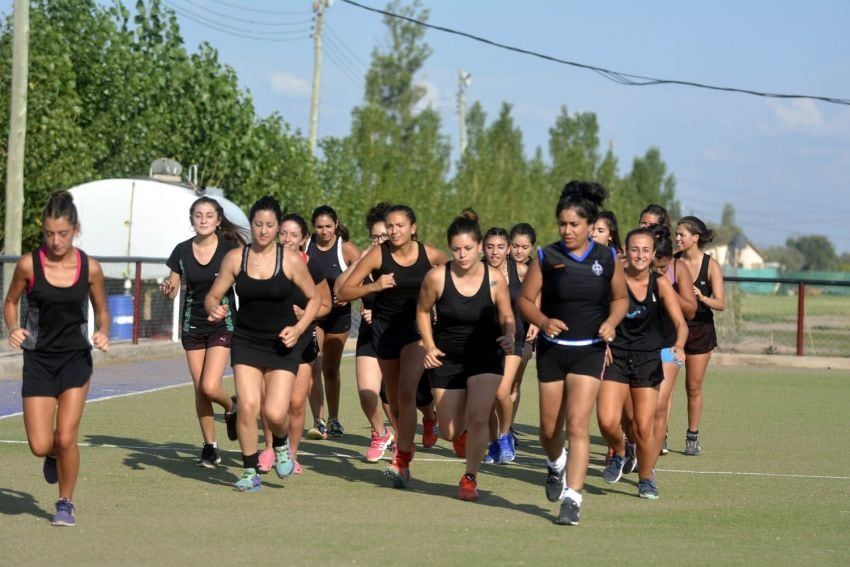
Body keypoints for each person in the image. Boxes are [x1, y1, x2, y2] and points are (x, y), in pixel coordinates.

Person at [518, 180, 627, 526]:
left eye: (574, 224)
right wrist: (542, 320)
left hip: (589, 351)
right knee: (549, 430)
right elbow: (524, 300)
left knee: (578, 423)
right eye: (562, 224)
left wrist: (611, 322)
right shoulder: (546, 256)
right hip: (552, 351)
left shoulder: (607, 257)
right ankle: (556, 464)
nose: (567, 230)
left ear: (590, 225)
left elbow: (621, 299)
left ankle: (573, 499)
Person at [3, 191, 110, 527]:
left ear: (75, 230)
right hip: (38, 360)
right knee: (40, 445)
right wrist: (13, 328)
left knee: (65, 437)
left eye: (62, 233)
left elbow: (102, 310)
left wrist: (103, 332)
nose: (56, 241)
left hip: (75, 360)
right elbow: (10, 302)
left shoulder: (90, 268)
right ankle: (51, 455)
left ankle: (65, 502)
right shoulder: (28, 265)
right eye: (49, 234)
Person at [205, 196, 319, 492]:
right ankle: (249, 471)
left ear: (277, 227)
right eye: (258, 224)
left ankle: (280, 444)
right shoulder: (235, 258)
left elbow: (314, 299)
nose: (264, 230)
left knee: (275, 413)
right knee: (248, 407)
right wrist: (214, 308)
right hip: (246, 340)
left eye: (270, 225)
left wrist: (298, 328)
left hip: (283, 344)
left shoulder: (290, 260)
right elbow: (213, 296)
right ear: (251, 224)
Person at [337, 204, 447, 488]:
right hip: (384, 331)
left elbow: (455, 276)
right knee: (396, 402)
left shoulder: (430, 255)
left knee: (407, 392)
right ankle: (404, 442)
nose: (394, 231)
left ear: (413, 228)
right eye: (390, 226)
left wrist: (440, 305)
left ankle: (402, 461)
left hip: (415, 329)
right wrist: (373, 287)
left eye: (400, 225)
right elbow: (343, 291)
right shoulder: (378, 254)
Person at [417, 210, 514, 500]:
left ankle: (469, 477)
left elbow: (507, 315)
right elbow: (422, 311)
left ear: (479, 246)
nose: (462, 255)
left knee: (479, 416)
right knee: (448, 430)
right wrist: (429, 345)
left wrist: (509, 334)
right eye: (456, 249)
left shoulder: (494, 279)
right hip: (448, 356)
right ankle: (460, 435)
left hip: (486, 354)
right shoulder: (437, 277)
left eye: (468, 248)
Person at [596, 228, 688, 499]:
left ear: (653, 254)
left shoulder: (660, 284)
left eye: (646, 250)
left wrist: (680, 345)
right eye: (635, 249)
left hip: (647, 359)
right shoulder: (613, 281)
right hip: (616, 356)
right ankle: (620, 450)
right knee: (607, 421)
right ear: (626, 250)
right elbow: (595, 316)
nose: (640, 255)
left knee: (643, 426)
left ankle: (646, 478)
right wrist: (602, 343)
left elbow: (681, 323)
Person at [160, 197, 244, 468]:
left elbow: (247, 283)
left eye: (209, 215)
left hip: (222, 324)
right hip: (193, 325)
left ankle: (232, 407)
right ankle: (210, 447)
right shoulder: (181, 251)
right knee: (200, 390)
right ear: (192, 220)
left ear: (218, 220)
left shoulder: (231, 250)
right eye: (198, 215)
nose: (204, 220)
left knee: (210, 386)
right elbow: (172, 289)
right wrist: (168, 289)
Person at [259, 213, 333, 475]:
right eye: (283, 233)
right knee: (268, 400)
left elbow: (326, 305)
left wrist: (305, 315)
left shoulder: (313, 267)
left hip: (302, 340)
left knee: (296, 402)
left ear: (303, 239)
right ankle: (269, 448)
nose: (287, 239)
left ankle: (292, 454)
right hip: (270, 338)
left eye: (293, 235)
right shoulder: (264, 261)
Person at [304, 206, 360, 439]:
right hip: (314, 315)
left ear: (336, 224)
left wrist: (349, 294)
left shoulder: (346, 249)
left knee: (330, 368)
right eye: (319, 227)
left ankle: (334, 419)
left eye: (328, 226)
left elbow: (365, 276)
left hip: (339, 317)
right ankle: (318, 421)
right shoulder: (305, 245)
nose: (324, 231)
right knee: (313, 365)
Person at [644, 215, 697, 456]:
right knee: (634, 407)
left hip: (669, 342)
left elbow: (691, 310)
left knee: (659, 404)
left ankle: (649, 463)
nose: (658, 272)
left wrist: (667, 291)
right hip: (638, 344)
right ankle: (628, 447)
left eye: (663, 268)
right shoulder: (631, 270)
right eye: (654, 268)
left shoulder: (678, 268)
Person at [675, 216, 725, 456]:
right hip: (673, 332)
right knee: (662, 386)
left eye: (681, 234)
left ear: (695, 238)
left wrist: (703, 297)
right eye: (676, 234)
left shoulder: (710, 265)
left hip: (701, 332)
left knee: (693, 387)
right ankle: (660, 435)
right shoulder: (673, 261)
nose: (677, 238)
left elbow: (721, 303)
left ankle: (692, 437)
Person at [482, 227, 528, 465]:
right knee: (488, 398)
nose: (495, 252)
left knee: (502, 391)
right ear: (483, 248)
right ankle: (493, 444)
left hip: (514, 338)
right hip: (485, 340)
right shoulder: (475, 271)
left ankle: (505, 435)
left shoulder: (520, 271)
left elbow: (537, 297)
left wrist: (535, 327)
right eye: (490, 247)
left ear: (508, 249)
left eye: (500, 247)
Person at [506, 223, 539, 446]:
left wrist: (530, 340)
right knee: (496, 384)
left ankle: (507, 427)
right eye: (515, 245)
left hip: (524, 335)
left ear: (532, 248)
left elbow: (539, 303)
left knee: (514, 383)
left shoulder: (534, 271)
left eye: (524, 247)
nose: (519, 251)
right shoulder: (498, 266)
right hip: (498, 333)